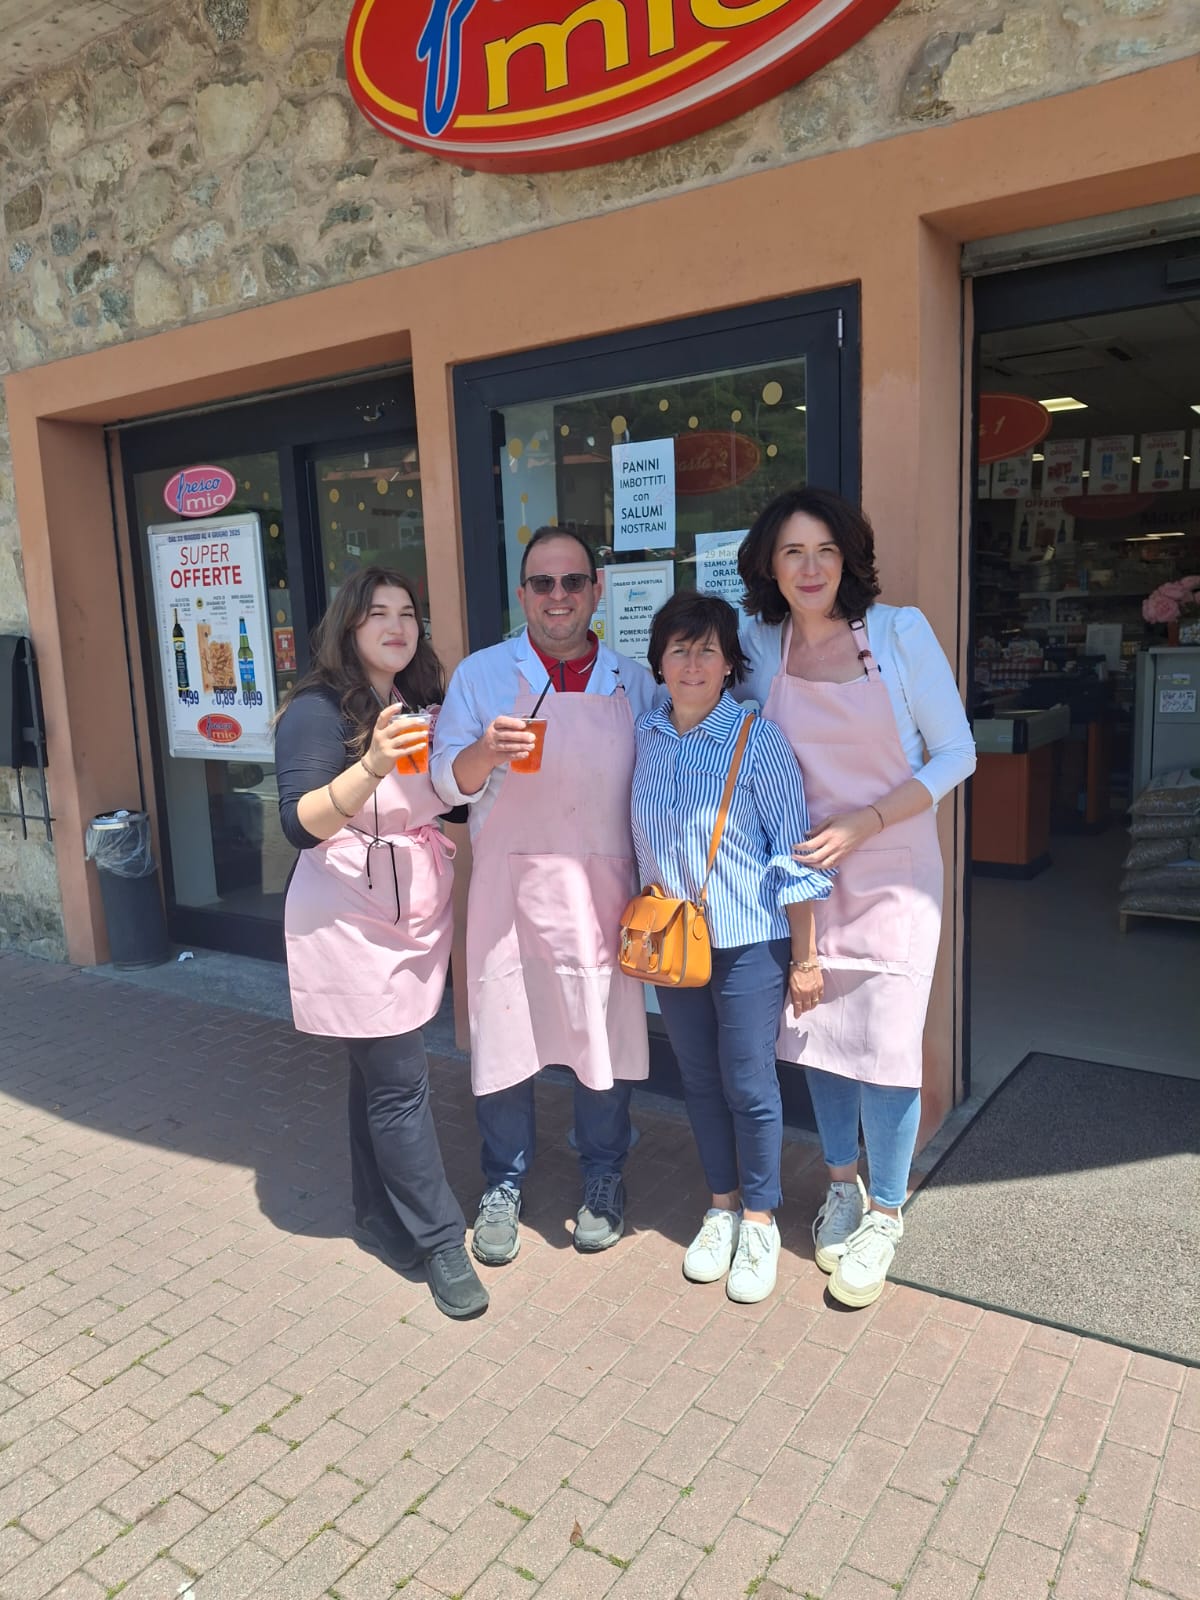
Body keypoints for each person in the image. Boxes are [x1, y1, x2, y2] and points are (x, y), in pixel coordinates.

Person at [736, 488, 976, 1308]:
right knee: (821, 1037)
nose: (811, 569)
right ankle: (842, 1185)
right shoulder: (759, 645)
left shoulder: (899, 633)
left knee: (888, 1046)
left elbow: (956, 754)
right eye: (793, 553)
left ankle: (886, 1211)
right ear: (770, 566)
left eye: (826, 551)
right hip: (808, 875)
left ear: (848, 560)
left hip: (895, 865)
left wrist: (864, 822)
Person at [430, 527, 657, 1266]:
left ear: (596, 590)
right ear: (522, 593)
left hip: (605, 895)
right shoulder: (482, 676)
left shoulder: (633, 682)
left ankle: (604, 1173)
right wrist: (484, 752)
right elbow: (445, 784)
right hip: (510, 893)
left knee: (604, 1040)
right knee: (505, 1035)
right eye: (542, 583)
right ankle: (504, 1180)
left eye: (572, 582)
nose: (558, 597)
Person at [275, 567, 488, 1321]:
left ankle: (374, 1212)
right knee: (400, 1080)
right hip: (349, 920)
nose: (397, 627)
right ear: (349, 625)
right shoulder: (316, 710)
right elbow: (299, 824)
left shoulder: (415, 700)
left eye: (407, 613)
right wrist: (371, 764)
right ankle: (441, 1241)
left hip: (406, 912)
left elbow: (449, 804)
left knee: (374, 1075)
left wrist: (483, 754)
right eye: (378, 615)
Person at [631, 592, 834, 1303]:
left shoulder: (758, 740)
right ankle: (720, 1206)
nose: (693, 663)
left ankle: (759, 1218)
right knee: (698, 1079)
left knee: (748, 1082)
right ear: (659, 662)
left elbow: (794, 854)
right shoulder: (647, 734)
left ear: (728, 666)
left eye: (707, 650)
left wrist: (805, 957)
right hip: (672, 942)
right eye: (679, 649)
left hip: (749, 942)